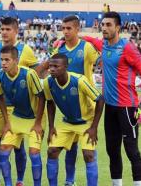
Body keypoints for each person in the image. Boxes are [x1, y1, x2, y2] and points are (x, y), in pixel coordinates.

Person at [83, 11, 141, 186]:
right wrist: (65, 39)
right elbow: (90, 40)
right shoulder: (104, 45)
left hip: (127, 108)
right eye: (103, 25)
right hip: (109, 107)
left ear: (118, 27)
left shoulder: (127, 48)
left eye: (109, 25)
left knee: (131, 151)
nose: (104, 28)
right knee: (112, 150)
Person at [0, 17, 39, 186]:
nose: (4, 32)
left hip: (18, 108)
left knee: (18, 146)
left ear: (16, 31)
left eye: (8, 29)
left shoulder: (25, 50)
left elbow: (36, 72)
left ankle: (20, 180)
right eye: (2, 29)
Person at [52, 15, 100, 186]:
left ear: (77, 29)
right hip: (67, 108)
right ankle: (69, 181)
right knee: (69, 148)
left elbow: (102, 56)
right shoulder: (59, 50)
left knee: (88, 152)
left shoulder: (86, 48)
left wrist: (88, 38)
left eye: (68, 28)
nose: (65, 31)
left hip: (86, 107)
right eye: (62, 28)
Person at [44, 53, 104, 186]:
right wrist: (51, 127)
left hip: (86, 122)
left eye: (56, 66)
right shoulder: (48, 82)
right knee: (51, 151)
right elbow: (50, 103)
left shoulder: (79, 81)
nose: (52, 69)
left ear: (66, 67)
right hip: (67, 122)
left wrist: (93, 127)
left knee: (88, 154)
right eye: (50, 66)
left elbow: (100, 99)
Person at [0, 45, 45, 186]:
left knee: (34, 153)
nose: (3, 63)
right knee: (3, 151)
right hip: (17, 117)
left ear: (16, 60)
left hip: (35, 119)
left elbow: (41, 98)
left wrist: (38, 123)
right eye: (1, 60)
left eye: (7, 60)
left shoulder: (29, 74)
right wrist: (6, 122)